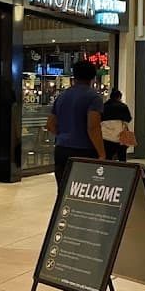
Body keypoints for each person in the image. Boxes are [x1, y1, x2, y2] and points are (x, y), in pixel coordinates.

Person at [46, 60, 105, 192]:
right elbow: (93, 127)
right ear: (93, 77)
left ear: (74, 76)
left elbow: (50, 125)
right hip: (85, 151)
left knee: (63, 191)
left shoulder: (61, 96)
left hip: (62, 149)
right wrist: (101, 153)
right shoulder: (93, 97)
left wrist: (64, 135)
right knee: (84, 192)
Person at [100, 89, 133, 162]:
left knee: (108, 157)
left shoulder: (104, 106)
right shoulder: (123, 106)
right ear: (119, 97)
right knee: (122, 157)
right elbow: (128, 119)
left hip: (105, 136)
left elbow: (100, 119)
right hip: (120, 136)